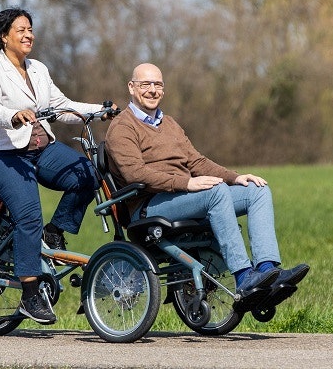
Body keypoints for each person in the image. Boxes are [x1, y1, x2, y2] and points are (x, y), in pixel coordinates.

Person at [105, 63, 309, 311]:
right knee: (215, 192)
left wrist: (235, 177)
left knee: (257, 190)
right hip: (148, 205)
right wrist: (186, 183)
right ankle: (244, 276)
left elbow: (196, 162)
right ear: (131, 87)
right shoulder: (122, 127)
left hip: (182, 197)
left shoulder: (169, 124)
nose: (152, 90)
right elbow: (134, 172)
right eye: (145, 84)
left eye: (158, 84)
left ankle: (268, 271)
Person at [0, 8, 115, 324]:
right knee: (28, 214)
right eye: (21, 29)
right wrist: (13, 115)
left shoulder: (38, 69)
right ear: (3, 36)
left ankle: (54, 232)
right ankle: (30, 295)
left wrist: (99, 111)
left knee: (88, 173)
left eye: (31, 29)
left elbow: (61, 107)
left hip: (40, 149)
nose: (28, 35)